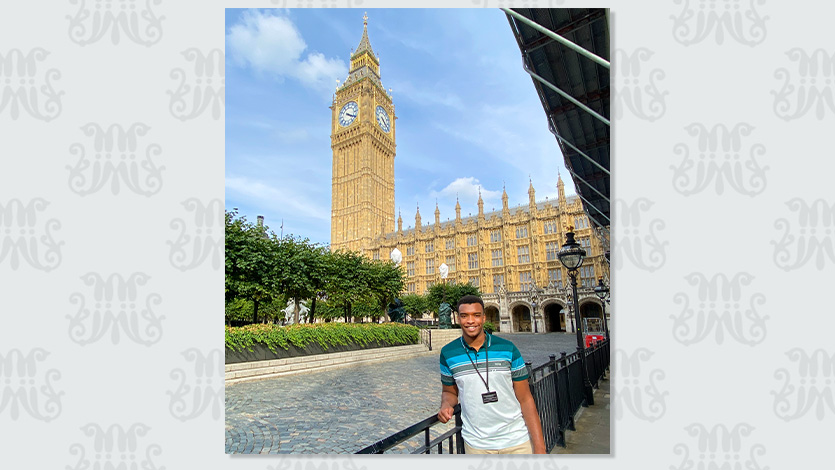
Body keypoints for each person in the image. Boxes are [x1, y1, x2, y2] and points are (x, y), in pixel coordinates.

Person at [437, 295, 547, 454]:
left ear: (484, 317)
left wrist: (540, 448)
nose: (470, 321)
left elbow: (526, 399)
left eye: (476, 315)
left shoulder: (508, 348)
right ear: (458, 318)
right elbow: (449, 392)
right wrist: (446, 405)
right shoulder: (448, 353)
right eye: (464, 316)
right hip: (476, 445)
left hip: (516, 442)